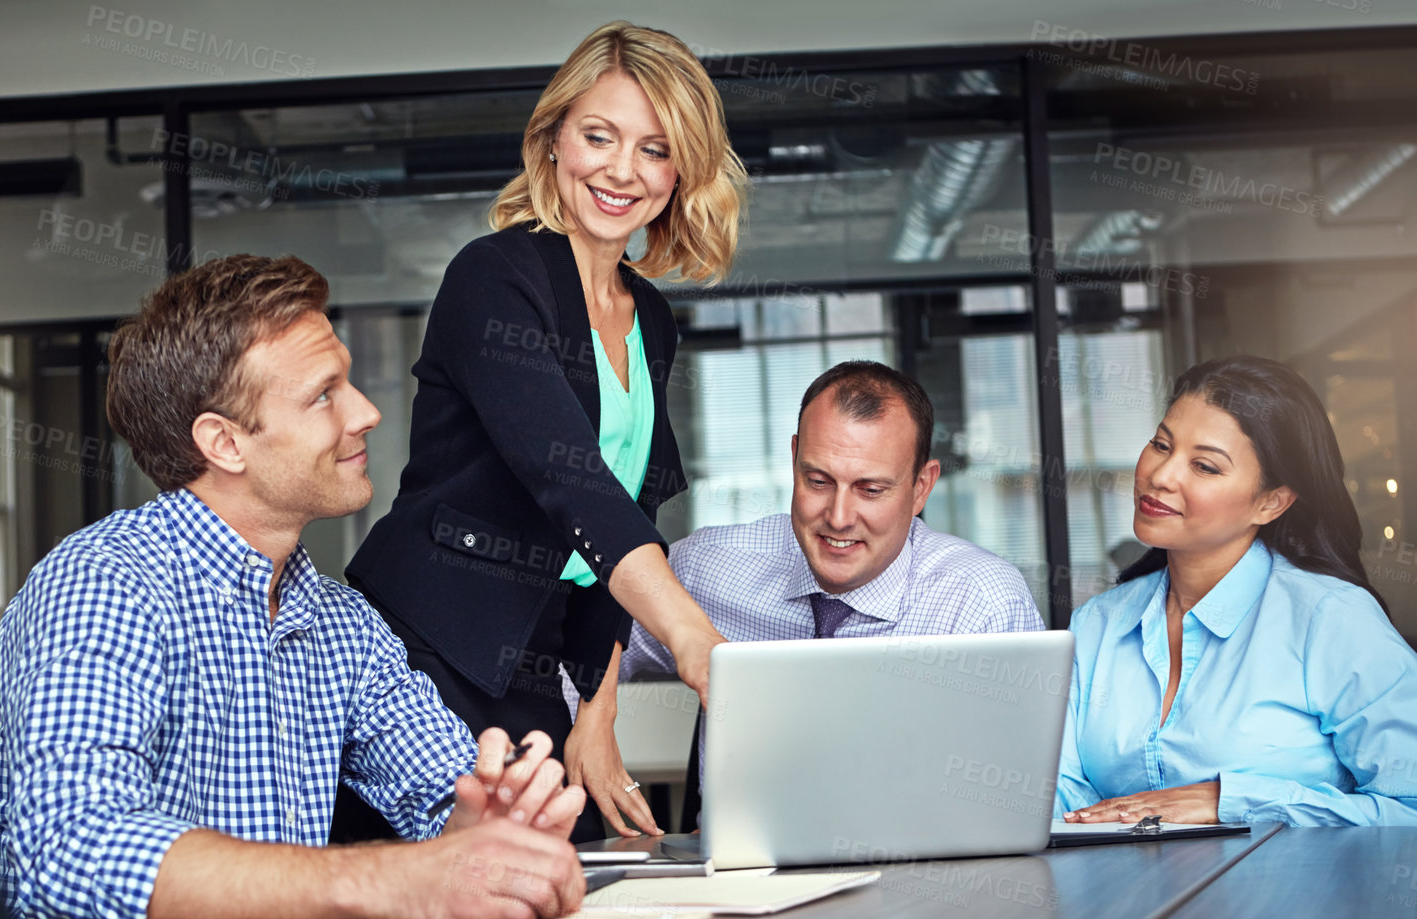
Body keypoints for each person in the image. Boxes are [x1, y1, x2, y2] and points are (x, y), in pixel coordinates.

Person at [0, 254, 589, 919]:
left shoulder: (341, 622)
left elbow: (443, 794)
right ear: (224, 443)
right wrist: (387, 880)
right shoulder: (104, 584)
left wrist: (486, 826)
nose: (366, 412)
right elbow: (66, 851)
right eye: (325, 394)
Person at [346, 20, 748, 842]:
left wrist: (596, 717)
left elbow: (622, 522)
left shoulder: (651, 318)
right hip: (430, 642)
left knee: (577, 874)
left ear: (681, 172)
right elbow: (575, 487)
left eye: (655, 149)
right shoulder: (493, 278)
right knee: (477, 896)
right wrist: (688, 633)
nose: (621, 171)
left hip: (536, 653)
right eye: (599, 136)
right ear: (554, 138)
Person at [605, 360, 1046, 832]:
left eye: (870, 490)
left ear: (921, 488)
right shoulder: (706, 568)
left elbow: (1028, 793)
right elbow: (577, 646)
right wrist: (595, 721)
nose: (838, 517)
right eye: (818, 481)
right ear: (794, 457)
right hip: (739, 881)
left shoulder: (982, 603)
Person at [1058, 355, 1417, 826]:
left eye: (1204, 466)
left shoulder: (1331, 618)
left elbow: (1407, 805)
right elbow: (1061, 797)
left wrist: (1229, 800)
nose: (1162, 476)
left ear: (1272, 501)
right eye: (1161, 445)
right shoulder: (1097, 624)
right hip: (1119, 898)